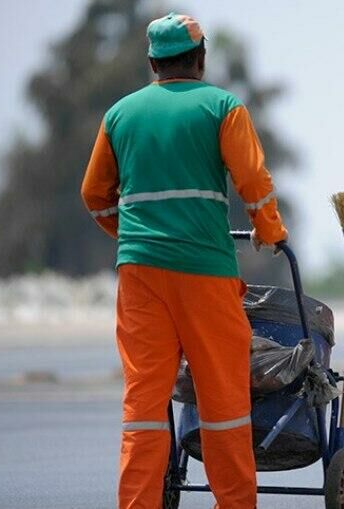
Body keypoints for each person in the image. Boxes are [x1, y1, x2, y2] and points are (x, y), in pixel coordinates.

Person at [81, 13, 288, 509]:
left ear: (153, 62)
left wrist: (132, 235)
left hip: (140, 276)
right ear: (200, 58)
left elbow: (94, 195)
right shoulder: (221, 107)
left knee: (144, 405)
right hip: (205, 273)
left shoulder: (119, 115)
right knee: (223, 401)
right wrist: (271, 231)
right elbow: (253, 183)